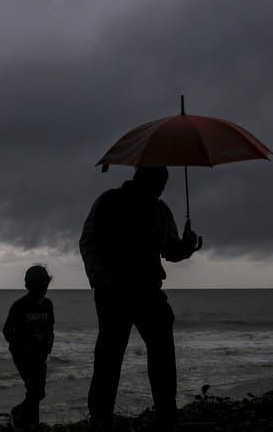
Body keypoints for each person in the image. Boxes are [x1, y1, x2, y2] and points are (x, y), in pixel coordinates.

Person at [80, 166, 202, 429]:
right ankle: (101, 418)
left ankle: (166, 415)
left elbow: (171, 250)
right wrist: (99, 279)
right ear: (141, 177)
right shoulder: (110, 201)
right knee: (110, 357)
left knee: (161, 354)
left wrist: (186, 247)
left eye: (163, 184)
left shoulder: (159, 210)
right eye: (158, 182)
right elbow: (89, 242)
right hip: (113, 291)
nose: (160, 189)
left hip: (148, 290)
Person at [2, 264, 55, 426]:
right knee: (34, 389)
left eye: (44, 287)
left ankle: (20, 413)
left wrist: (48, 346)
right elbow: (7, 330)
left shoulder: (48, 305)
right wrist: (19, 346)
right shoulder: (19, 306)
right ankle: (30, 421)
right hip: (22, 355)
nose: (42, 291)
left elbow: (50, 328)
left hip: (40, 354)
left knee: (38, 393)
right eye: (39, 287)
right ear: (28, 286)